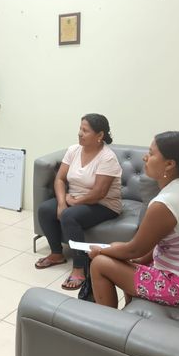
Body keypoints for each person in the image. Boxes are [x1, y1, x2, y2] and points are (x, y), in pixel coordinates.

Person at [88, 131, 179, 310]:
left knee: (99, 264)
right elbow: (155, 244)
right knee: (126, 259)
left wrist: (102, 251)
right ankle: (130, 314)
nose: (145, 158)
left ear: (169, 164)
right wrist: (132, 257)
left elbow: (134, 249)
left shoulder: (166, 203)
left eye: (151, 153)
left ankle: (110, 323)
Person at [36, 114, 122, 290]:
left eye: (85, 130)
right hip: (75, 198)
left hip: (103, 204)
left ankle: (80, 268)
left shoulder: (107, 157)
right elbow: (60, 179)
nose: (80, 133)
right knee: (45, 209)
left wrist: (73, 203)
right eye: (80, 129)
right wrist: (62, 202)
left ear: (100, 135)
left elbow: (99, 193)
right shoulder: (74, 150)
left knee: (69, 216)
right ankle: (56, 254)